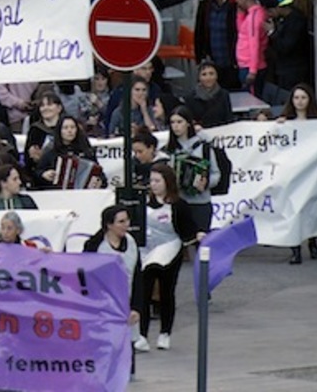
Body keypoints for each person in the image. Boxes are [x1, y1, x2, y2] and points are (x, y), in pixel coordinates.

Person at [136, 164, 204, 352]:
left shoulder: (179, 205)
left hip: (170, 248)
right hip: (146, 250)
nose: (154, 184)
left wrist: (198, 236)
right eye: (151, 181)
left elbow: (188, 229)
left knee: (167, 293)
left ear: (168, 182)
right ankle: (142, 335)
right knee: (144, 293)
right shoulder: (143, 203)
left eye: (158, 181)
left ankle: (165, 333)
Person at [83, 206, 142, 344]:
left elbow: (138, 278)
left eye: (127, 220)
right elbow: (84, 276)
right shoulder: (94, 246)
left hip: (126, 308)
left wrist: (136, 308)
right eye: (121, 222)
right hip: (102, 311)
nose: (126, 224)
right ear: (109, 225)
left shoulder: (132, 243)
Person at [278, 83, 317, 264]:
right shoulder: (286, 122)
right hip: (293, 174)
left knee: (312, 210)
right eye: (296, 98)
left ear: (309, 100)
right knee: (293, 211)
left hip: (311, 173)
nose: (300, 101)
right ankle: (295, 249)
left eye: (303, 97)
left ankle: (313, 242)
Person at [165, 106, 220, 232]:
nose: (176, 126)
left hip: (200, 203)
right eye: (173, 122)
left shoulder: (204, 147)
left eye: (179, 122)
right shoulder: (170, 150)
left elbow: (216, 173)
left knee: (201, 241)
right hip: (178, 203)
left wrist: (205, 183)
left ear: (188, 124)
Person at [194, 0, 239, 89]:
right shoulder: (206, 5)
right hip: (213, 57)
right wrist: (200, 55)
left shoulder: (233, 6)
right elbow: (200, 30)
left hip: (230, 59)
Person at [36, 116, 105, 189]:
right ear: (59, 131)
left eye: (72, 127)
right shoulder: (51, 153)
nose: (69, 131)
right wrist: (43, 174)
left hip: (83, 195)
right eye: (65, 128)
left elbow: (101, 175)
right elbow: (36, 173)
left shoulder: (86, 151)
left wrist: (99, 182)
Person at [264, 0, 310, 90]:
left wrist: (272, 32)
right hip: (282, 70)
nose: (269, 15)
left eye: (270, 11)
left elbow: (286, 47)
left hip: (293, 71)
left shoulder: (296, 21)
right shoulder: (282, 20)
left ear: (278, 8)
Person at [235, 0, 269, 96]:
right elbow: (242, 32)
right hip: (245, 64)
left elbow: (254, 44)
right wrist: (240, 15)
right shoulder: (250, 15)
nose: (237, 1)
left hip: (251, 66)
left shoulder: (255, 16)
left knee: (251, 100)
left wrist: (253, 71)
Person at [24, 91, 64, 176]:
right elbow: (27, 160)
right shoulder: (35, 129)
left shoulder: (67, 127)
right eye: (42, 105)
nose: (45, 108)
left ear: (59, 108)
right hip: (42, 174)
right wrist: (35, 159)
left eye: (49, 105)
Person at [185, 60, 233, 128]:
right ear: (199, 77)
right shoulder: (190, 98)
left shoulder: (224, 95)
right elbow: (188, 121)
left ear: (216, 76)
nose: (208, 78)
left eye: (211, 74)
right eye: (204, 74)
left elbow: (229, 118)